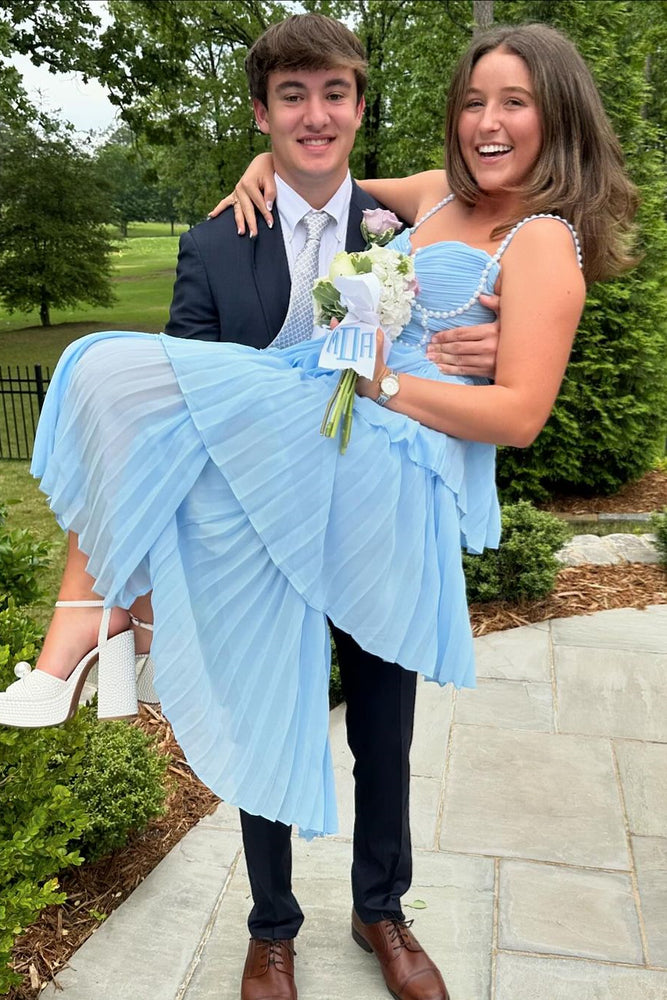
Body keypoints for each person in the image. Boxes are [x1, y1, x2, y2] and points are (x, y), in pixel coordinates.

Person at [0, 16, 636, 1000]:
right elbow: (331, 190)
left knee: (384, 733)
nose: (488, 120)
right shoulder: (427, 200)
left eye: (514, 101)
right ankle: (271, 925)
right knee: (266, 706)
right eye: (473, 100)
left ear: (557, 116)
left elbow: (518, 413)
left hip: (386, 510)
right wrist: (263, 169)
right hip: (271, 515)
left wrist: (389, 381)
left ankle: (382, 910)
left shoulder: (541, 238)